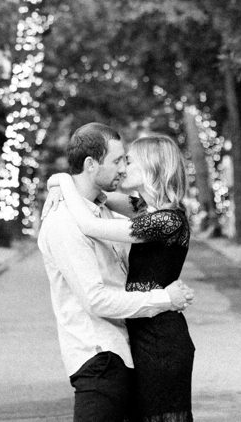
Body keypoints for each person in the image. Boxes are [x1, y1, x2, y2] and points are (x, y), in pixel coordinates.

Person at [38, 123, 196, 422]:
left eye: (129, 160)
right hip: (137, 336)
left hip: (159, 338)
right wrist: (58, 183)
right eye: (120, 160)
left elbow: (91, 224)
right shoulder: (141, 207)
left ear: (153, 167)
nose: (123, 168)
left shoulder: (167, 219)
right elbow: (95, 198)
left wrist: (61, 179)